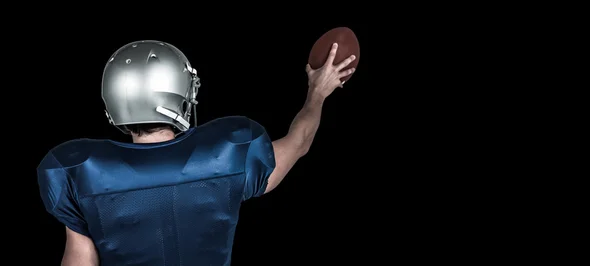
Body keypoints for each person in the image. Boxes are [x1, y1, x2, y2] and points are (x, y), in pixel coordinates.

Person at [37, 40, 355, 266]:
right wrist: (318, 93)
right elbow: (299, 141)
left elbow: (80, 260)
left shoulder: (78, 172)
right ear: (178, 94)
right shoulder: (228, 154)